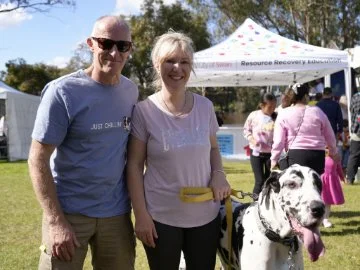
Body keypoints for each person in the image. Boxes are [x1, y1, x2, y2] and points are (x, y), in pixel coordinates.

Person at [28, 16, 138, 270]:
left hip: (116, 214)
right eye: (106, 43)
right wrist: (55, 221)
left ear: (129, 49)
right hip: (69, 213)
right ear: (91, 43)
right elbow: (37, 159)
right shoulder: (62, 92)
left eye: (122, 46)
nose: (114, 52)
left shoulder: (130, 91)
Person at [126, 31, 231, 270]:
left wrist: (219, 174)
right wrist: (141, 215)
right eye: (170, 61)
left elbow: (214, 148)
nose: (177, 68)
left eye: (184, 62)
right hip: (160, 217)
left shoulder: (205, 107)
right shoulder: (144, 111)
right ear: (156, 64)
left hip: (206, 214)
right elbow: (133, 166)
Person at [271, 83, 338, 175]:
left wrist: (274, 159)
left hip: (295, 154)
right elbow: (330, 136)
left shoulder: (283, 114)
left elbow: (278, 141)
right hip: (317, 155)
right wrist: (333, 152)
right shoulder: (317, 111)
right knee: (315, 187)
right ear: (306, 96)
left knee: (294, 187)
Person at [243, 92, 277, 198]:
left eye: (274, 106)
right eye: (270, 107)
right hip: (256, 153)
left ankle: (267, 203)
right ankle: (254, 204)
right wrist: (252, 140)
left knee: (269, 180)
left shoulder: (276, 117)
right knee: (259, 180)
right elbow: (246, 130)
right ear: (262, 105)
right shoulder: (254, 115)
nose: (272, 109)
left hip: (270, 154)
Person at [321, 151, 345, 228]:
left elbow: (339, 168)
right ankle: (318, 219)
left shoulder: (336, 157)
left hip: (331, 182)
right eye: (326, 147)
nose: (328, 149)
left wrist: (342, 177)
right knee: (319, 201)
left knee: (327, 202)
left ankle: (325, 219)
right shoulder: (319, 156)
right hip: (321, 181)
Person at [346, 91, 360, 184]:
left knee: (353, 156)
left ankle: (350, 178)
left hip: (356, 130)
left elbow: (351, 110)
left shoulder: (355, 97)